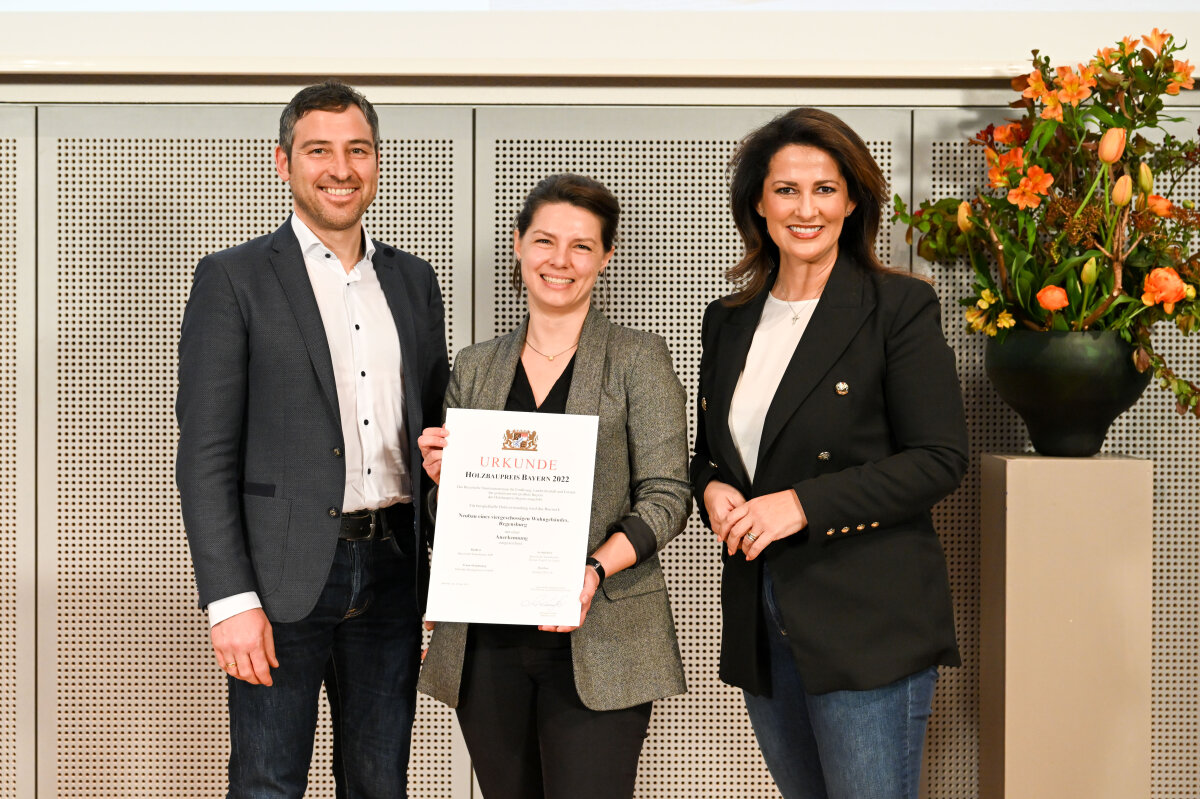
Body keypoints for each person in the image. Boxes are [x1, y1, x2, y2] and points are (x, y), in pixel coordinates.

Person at [176, 80, 449, 798]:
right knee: (268, 781)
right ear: (282, 162)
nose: (340, 167)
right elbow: (204, 457)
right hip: (278, 580)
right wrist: (228, 599)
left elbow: (434, 428)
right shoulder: (232, 279)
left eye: (357, 149)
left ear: (378, 164)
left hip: (393, 571)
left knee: (381, 781)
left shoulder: (414, 281)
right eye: (318, 149)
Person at [691, 108, 968, 799]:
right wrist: (711, 491)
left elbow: (939, 457)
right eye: (786, 189)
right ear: (757, 202)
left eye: (824, 188)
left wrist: (800, 505)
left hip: (866, 621)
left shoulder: (897, 306)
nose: (805, 208)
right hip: (762, 616)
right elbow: (715, 455)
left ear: (852, 200)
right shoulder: (728, 321)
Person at [416, 173, 690, 799]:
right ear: (518, 245)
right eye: (544, 241)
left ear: (606, 256)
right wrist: (442, 483)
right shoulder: (476, 365)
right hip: (485, 644)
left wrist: (592, 569)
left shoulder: (637, 357)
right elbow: (450, 514)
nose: (560, 262)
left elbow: (668, 494)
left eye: (582, 246)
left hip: (601, 636)